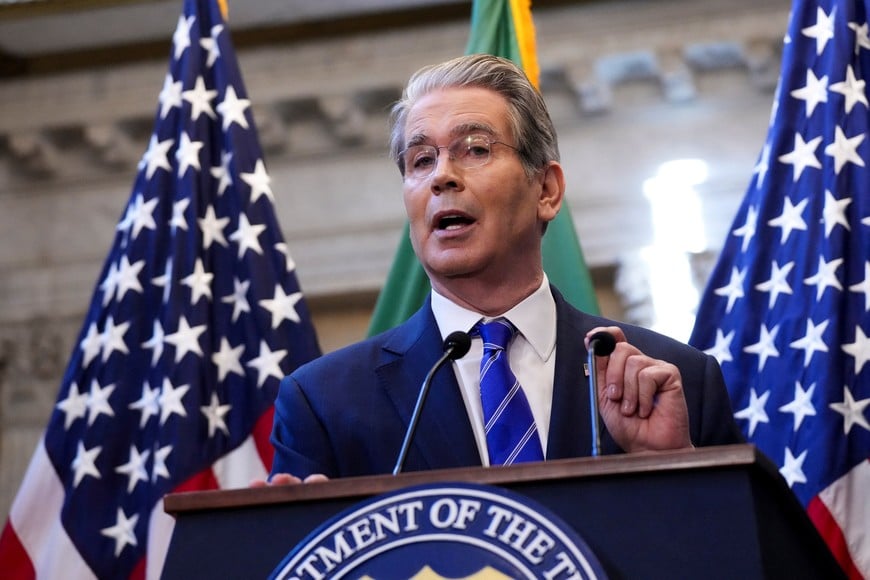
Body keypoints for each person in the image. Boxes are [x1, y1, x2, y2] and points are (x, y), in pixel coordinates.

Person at [261, 53, 743, 484]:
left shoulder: (676, 380)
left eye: (475, 149)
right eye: (421, 159)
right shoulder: (324, 401)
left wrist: (672, 471)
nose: (442, 176)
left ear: (547, 191)